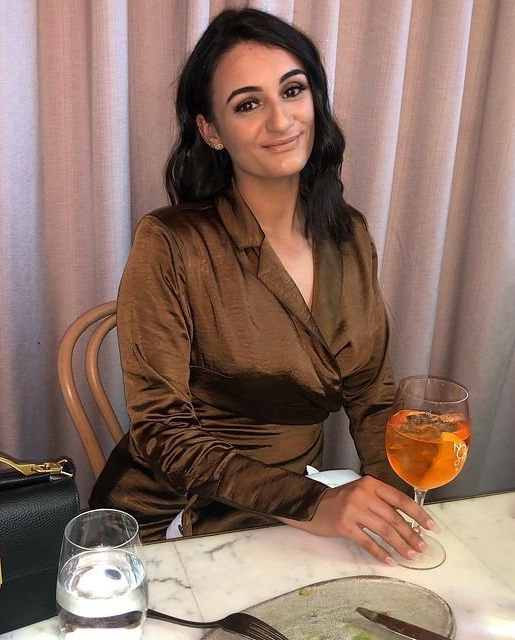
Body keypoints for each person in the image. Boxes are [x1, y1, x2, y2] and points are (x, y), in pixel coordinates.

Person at [90, 8, 437, 565]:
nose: (281, 121)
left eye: (292, 91)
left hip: (296, 508)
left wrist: (397, 506)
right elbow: (161, 431)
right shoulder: (171, 242)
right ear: (211, 131)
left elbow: (373, 397)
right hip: (176, 516)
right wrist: (313, 503)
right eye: (248, 104)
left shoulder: (349, 235)